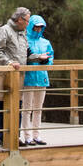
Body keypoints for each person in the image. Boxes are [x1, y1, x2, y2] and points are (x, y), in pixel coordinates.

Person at [0, 7, 30, 147]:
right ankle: (3, 136)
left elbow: (25, 53)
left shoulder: (23, 33)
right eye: (27, 21)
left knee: (17, 106)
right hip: (5, 75)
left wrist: (38, 57)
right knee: (4, 106)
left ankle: (15, 136)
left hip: (18, 76)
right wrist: (9, 62)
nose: (28, 24)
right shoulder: (4, 30)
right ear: (20, 19)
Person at [22, 14, 53, 145]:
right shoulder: (24, 41)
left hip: (42, 78)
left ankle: (37, 135)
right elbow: (23, 58)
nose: (38, 30)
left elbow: (50, 58)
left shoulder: (46, 42)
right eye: (36, 27)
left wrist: (45, 61)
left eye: (41, 27)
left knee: (38, 109)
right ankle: (27, 136)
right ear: (31, 27)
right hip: (28, 78)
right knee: (27, 109)